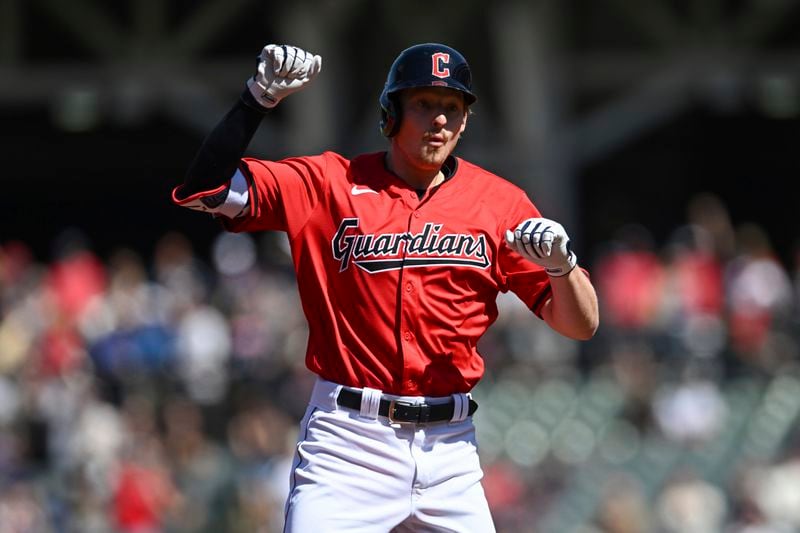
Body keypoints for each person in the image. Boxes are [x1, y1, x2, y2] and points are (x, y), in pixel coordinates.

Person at [172, 42, 599, 532]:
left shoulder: (500, 202)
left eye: (451, 108)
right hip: (349, 442)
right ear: (390, 114)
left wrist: (563, 270)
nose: (439, 120)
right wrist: (257, 98)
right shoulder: (327, 182)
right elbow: (205, 190)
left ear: (464, 123)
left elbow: (581, 325)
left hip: (451, 448)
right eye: (424, 104)